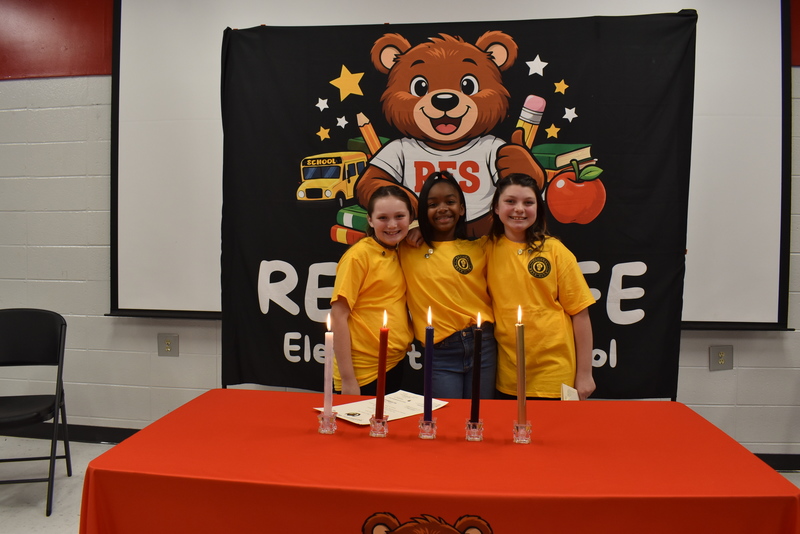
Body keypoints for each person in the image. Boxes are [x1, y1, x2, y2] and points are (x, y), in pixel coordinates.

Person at [486, 173, 596, 400]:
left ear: (538, 208)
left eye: (528, 202)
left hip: (555, 373)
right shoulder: (484, 250)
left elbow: (580, 313)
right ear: (496, 207)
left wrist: (585, 374)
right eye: (510, 201)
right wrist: (417, 229)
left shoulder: (555, 251)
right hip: (509, 376)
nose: (519, 209)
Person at [399, 172, 497, 399]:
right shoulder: (407, 247)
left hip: (483, 344)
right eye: (433, 205)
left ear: (461, 208)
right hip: (441, 350)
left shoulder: (481, 247)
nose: (442, 209)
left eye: (450, 202)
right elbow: (388, 226)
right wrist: (416, 227)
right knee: (445, 415)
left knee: (481, 414)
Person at [330, 185, 414, 395]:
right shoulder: (358, 257)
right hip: (363, 373)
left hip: (394, 363)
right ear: (370, 220)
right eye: (383, 218)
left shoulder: (402, 250)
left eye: (399, 216)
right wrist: (349, 379)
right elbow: (338, 316)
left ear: (411, 218)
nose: (392, 225)